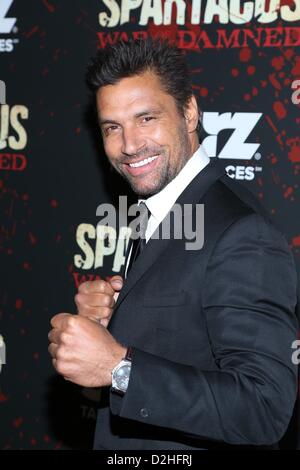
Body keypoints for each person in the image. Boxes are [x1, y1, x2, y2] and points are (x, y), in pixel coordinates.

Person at [48, 38, 298, 450]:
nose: (129, 145)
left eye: (146, 118)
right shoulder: (162, 206)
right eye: (113, 127)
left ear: (189, 113)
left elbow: (264, 407)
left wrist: (116, 367)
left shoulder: (241, 233)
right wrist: (111, 327)